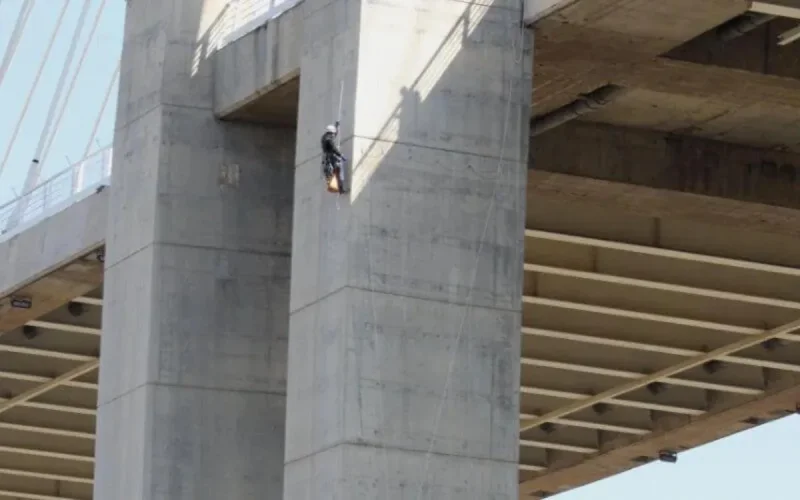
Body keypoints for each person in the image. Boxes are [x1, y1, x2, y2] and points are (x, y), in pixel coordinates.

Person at [321, 122, 347, 193]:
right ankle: (340, 188)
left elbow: (334, 134)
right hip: (331, 157)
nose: (334, 135)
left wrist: (336, 127)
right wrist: (340, 155)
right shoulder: (329, 139)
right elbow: (333, 148)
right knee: (338, 170)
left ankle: (338, 187)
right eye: (333, 133)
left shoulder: (325, 137)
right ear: (331, 133)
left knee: (332, 171)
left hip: (327, 157)